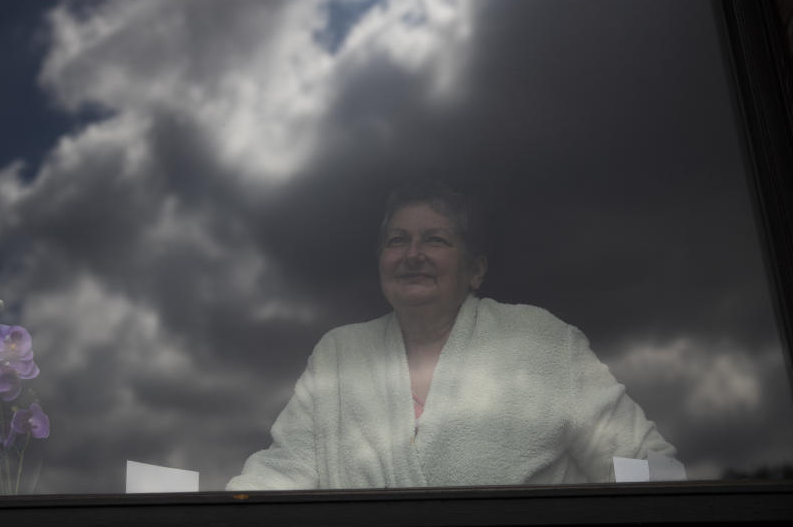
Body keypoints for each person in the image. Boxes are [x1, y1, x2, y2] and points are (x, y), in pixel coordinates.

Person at [227, 182, 676, 489]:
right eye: (397, 240)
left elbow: (639, 462)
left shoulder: (541, 341)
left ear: (475, 270)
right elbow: (284, 471)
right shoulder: (339, 353)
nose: (413, 254)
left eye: (435, 240)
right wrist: (201, 519)